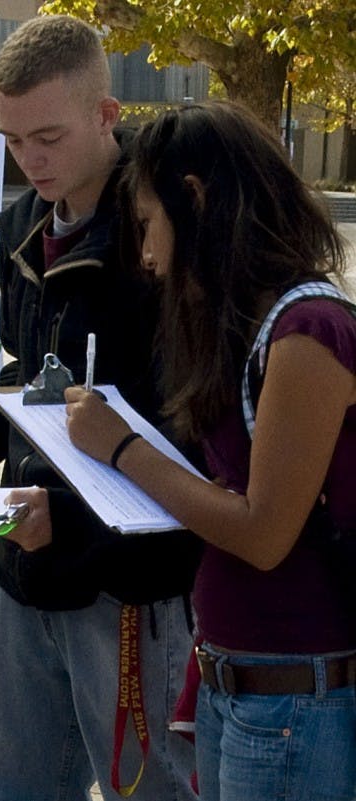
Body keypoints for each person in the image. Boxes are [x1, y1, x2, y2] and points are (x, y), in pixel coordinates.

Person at [0, 15, 197, 801]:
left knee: (147, 789)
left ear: (107, 113)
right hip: (24, 563)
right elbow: (31, 368)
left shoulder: (162, 238)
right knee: (14, 781)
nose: (30, 159)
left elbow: (187, 421)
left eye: (47, 136)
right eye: (12, 140)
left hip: (127, 580)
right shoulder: (20, 228)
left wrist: (73, 520)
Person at [63, 101, 356, 801]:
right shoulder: (249, 326)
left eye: (149, 224)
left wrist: (123, 448)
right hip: (241, 686)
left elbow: (262, 534)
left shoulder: (308, 332)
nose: (147, 255)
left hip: (292, 701)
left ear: (195, 197)